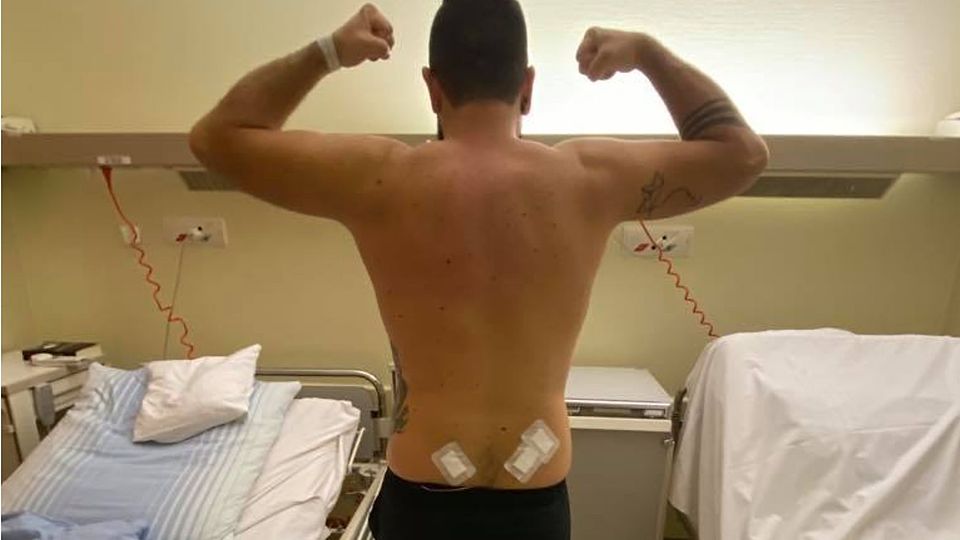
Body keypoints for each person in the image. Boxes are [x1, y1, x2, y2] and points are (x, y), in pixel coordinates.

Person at [190, 1, 768, 538]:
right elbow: (743, 153)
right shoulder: (589, 177)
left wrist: (330, 51)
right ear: (528, 87)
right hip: (535, 496)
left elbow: (215, 138)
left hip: (422, 496)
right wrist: (647, 54)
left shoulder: (378, 177)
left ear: (432, 88)